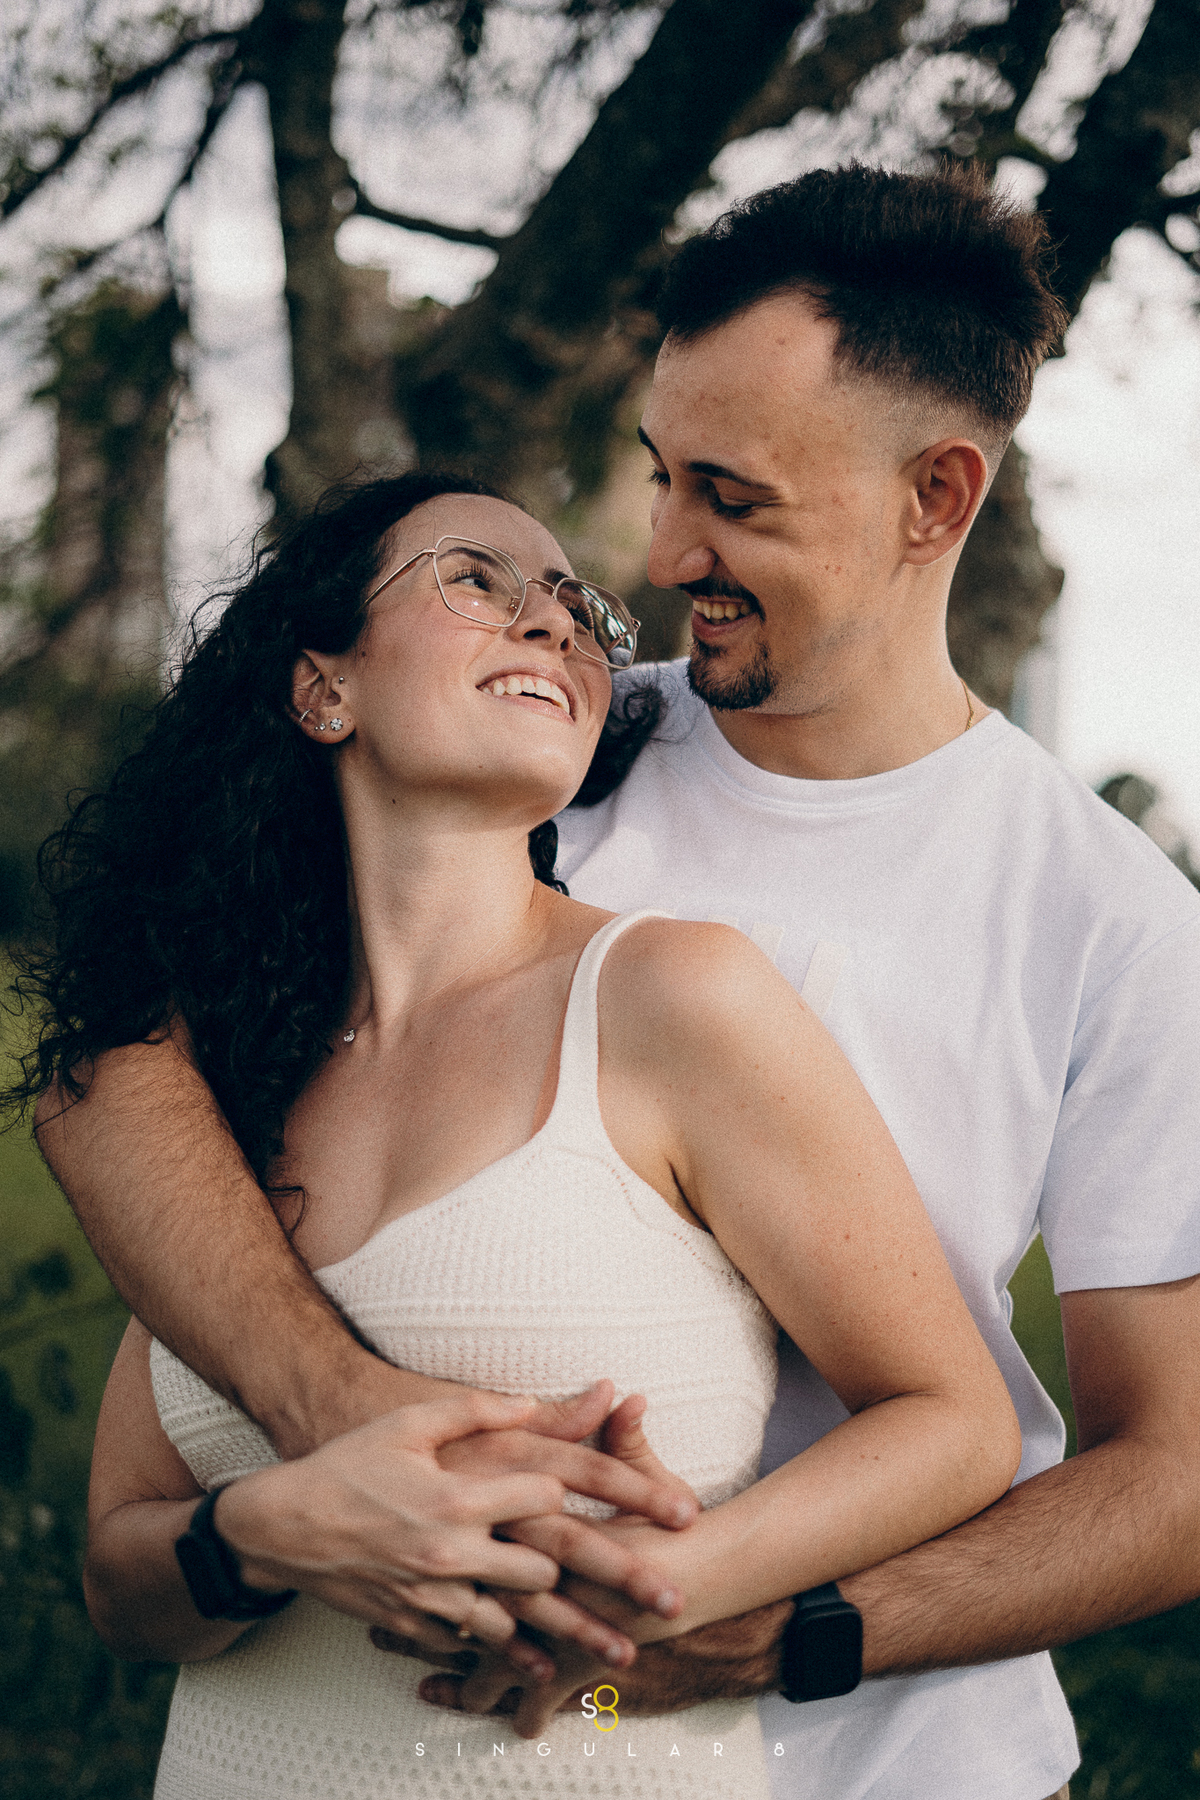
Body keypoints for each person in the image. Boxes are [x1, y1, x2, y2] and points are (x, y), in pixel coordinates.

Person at [26, 160, 1200, 1799]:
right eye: (659, 474)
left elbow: (1176, 1475)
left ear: (936, 498)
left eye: (731, 496)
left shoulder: (1112, 918)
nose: (657, 551)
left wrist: (761, 1629)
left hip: (881, 1751)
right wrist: (342, 1418)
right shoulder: (553, 747)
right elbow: (121, 1067)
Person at [18, 470, 1019, 1797]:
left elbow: (957, 1422)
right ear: (323, 688)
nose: (553, 622)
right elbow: (123, 1588)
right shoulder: (224, 1088)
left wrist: (652, 1586)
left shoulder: (674, 997)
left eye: (574, 607)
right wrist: (260, 1534)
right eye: (474, 580)